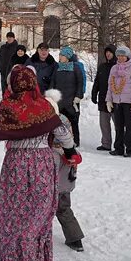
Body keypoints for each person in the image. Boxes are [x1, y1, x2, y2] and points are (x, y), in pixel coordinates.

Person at [0, 65, 80, 261]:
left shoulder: (9, 108)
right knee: (39, 213)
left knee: (13, 215)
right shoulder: (44, 107)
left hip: (15, 165)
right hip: (42, 165)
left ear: (13, 85)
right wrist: (70, 153)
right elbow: (63, 134)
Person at [44, 89, 85, 252]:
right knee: (63, 207)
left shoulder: (46, 124)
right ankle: (75, 238)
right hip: (65, 175)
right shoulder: (63, 121)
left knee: (45, 207)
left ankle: (40, 235)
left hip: (52, 175)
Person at [105, 45, 131, 158]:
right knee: (118, 126)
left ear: (127, 56)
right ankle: (119, 148)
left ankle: (130, 149)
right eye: (119, 56)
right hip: (117, 101)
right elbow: (110, 86)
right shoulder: (114, 68)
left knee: (129, 127)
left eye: (123, 56)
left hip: (129, 102)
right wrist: (109, 100)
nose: (121, 58)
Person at [48, 47, 84, 146]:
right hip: (59, 101)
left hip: (71, 101)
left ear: (67, 57)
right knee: (58, 122)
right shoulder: (57, 68)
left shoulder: (76, 68)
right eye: (60, 55)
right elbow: (52, 82)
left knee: (73, 121)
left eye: (62, 55)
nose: (60, 57)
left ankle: (75, 141)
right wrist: (50, 96)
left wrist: (78, 96)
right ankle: (58, 140)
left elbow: (80, 83)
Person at [91, 44, 117, 152]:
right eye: (106, 52)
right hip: (103, 98)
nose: (108, 54)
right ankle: (106, 143)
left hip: (115, 99)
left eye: (110, 52)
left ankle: (120, 144)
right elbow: (97, 81)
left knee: (118, 124)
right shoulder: (102, 66)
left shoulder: (118, 67)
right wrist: (94, 93)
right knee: (104, 123)